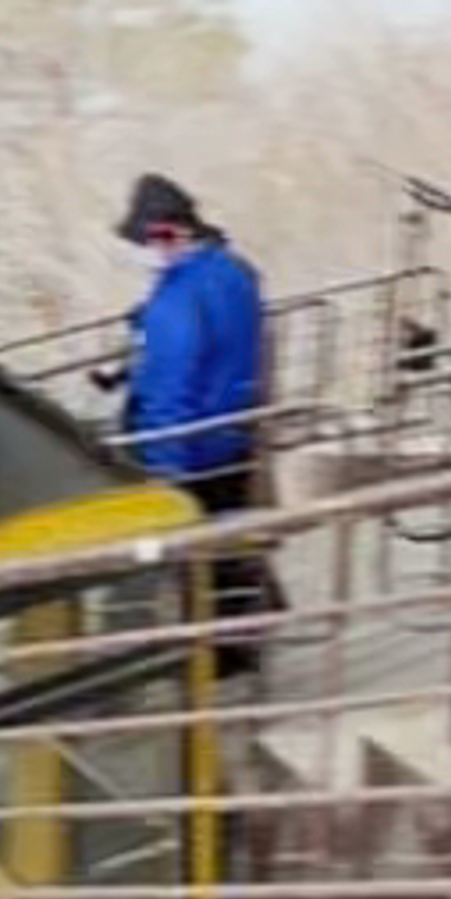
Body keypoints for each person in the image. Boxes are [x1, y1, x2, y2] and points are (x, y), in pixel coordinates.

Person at [115, 175, 273, 623]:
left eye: (146, 241)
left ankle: (212, 643)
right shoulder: (234, 271)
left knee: (193, 560)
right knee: (228, 543)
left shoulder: (175, 304)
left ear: (167, 235)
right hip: (234, 437)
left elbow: (171, 391)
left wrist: (165, 475)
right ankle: (247, 623)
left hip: (193, 452)